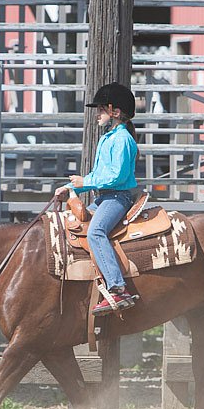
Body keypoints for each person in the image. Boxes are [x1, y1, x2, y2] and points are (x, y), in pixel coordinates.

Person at [54, 82, 138, 316]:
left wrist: (85, 183)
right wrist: (70, 187)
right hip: (104, 197)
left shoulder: (121, 140)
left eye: (101, 110)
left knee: (96, 232)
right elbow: (96, 175)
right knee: (76, 225)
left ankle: (118, 288)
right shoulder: (108, 138)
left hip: (117, 198)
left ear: (115, 112)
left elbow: (116, 176)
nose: (97, 115)